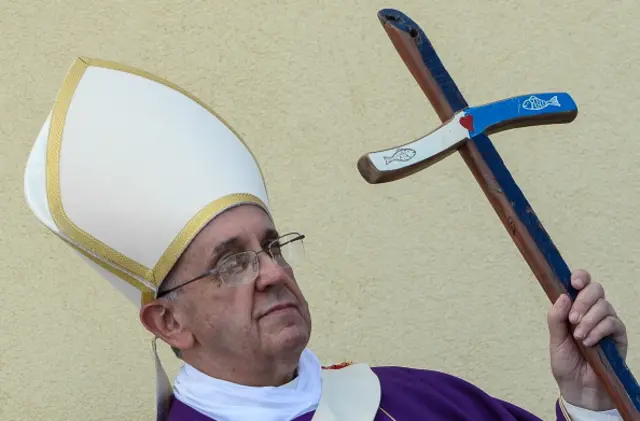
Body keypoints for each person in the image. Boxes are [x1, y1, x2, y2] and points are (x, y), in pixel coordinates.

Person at [24, 56, 629, 421]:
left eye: (272, 246)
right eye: (231, 263)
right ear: (169, 325)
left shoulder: (414, 398)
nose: (272, 271)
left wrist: (588, 399)